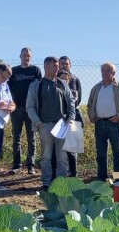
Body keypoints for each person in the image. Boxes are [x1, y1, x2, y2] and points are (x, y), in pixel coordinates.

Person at [27, 57, 76, 188]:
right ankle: (46, 183)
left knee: (62, 158)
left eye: (57, 66)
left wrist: (70, 120)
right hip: (45, 125)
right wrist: (38, 122)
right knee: (46, 157)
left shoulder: (62, 84)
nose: (57, 68)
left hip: (62, 125)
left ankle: (61, 185)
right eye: (54, 66)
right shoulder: (36, 85)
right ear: (46, 67)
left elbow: (71, 102)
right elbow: (30, 107)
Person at [86, 62, 119, 181]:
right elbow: (90, 104)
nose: (105, 73)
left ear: (114, 73)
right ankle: (102, 179)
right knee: (101, 154)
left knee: (118, 153)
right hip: (99, 123)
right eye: (103, 70)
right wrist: (93, 117)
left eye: (108, 70)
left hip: (115, 123)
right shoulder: (96, 88)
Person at [8, 47, 42, 175]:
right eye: (24, 55)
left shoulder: (35, 71)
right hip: (16, 109)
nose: (26, 57)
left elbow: (40, 88)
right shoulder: (14, 71)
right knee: (16, 137)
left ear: (31, 57)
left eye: (28, 56)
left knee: (31, 138)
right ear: (20, 56)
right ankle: (16, 165)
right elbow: (8, 89)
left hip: (31, 110)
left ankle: (30, 165)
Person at [55, 56, 83, 177]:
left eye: (66, 63)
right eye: (62, 63)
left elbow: (79, 98)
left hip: (74, 117)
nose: (64, 65)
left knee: (73, 149)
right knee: (58, 148)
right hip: (58, 118)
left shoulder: (75, 80)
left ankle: (74, 174)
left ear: (70, 65)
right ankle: (58, 175)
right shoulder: (54, 80)